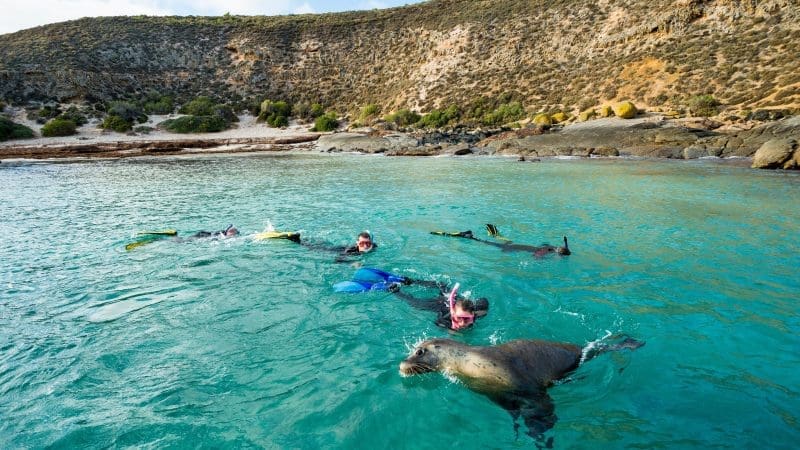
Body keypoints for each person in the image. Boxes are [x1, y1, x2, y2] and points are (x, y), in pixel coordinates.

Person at [389, 281, 489, 331]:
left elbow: (484, 301)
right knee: (414, 303)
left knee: (443, 286)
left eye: (466, 319)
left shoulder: (477, 315)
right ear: (453, 313)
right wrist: (451, 330)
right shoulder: (444, 320)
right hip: (439, 304)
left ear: (473, 315)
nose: (462, 323)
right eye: (459, 318)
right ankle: (399, 288)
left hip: (454, 299)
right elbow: (438, 323)